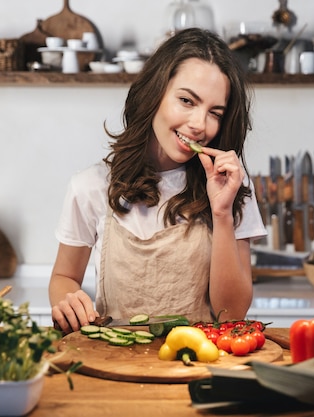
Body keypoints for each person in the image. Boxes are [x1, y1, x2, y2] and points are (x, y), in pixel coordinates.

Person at [49, 28, 266, 334]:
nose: (199, 125)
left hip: (197, 368)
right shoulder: (91, 186)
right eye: (187, 101)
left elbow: (231, 314)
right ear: (155, 92)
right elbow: (63, 278)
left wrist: (222, 213)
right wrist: (68, 301)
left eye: (214, 112)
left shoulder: (230, 186)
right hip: (115, 368)